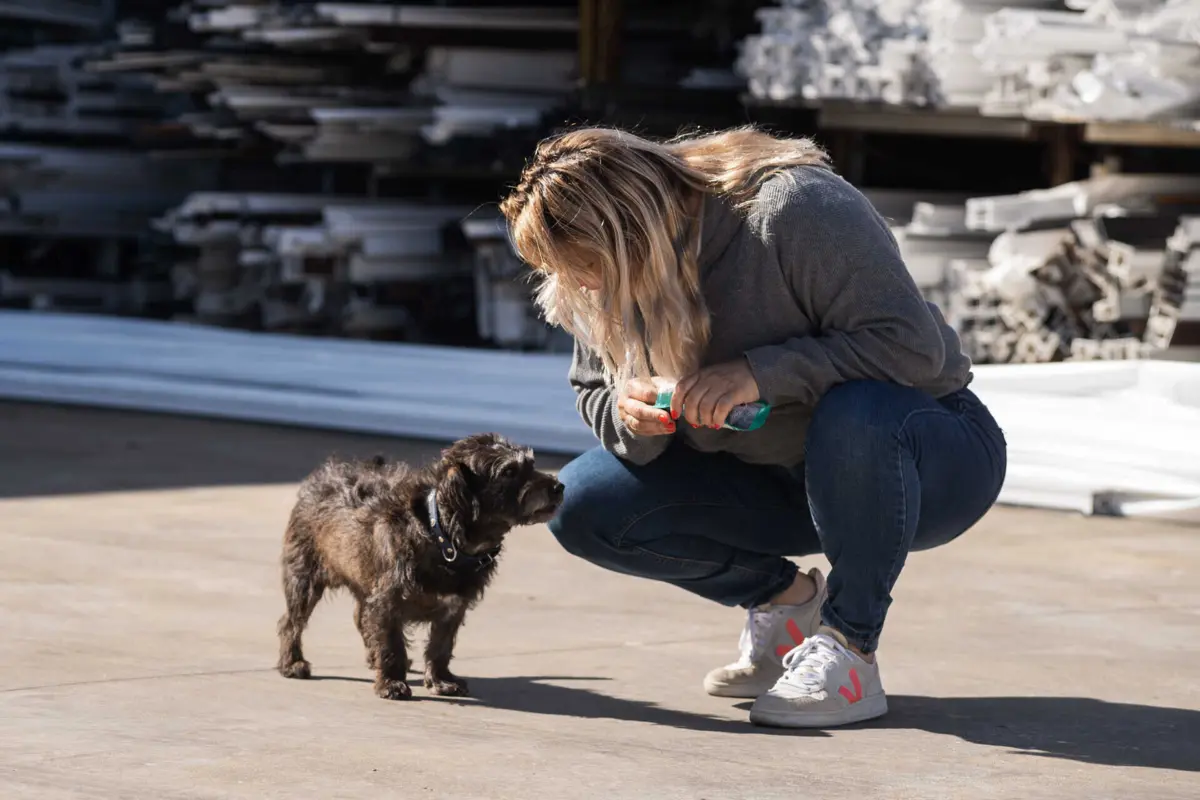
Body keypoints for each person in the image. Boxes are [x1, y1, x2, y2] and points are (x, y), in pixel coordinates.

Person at [498, 126, 1007, 728]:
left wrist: (760, 374)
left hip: (926, 463)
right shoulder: (601, 273)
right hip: (777, 478)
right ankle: (786, 604)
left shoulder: (792, 208)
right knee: (583, 503)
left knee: (858, 411)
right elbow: (593, 388)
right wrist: (632, 414)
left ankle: (850, 649)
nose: (584, 285)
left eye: (589, 267)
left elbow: (912, 349)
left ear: (634, 229)